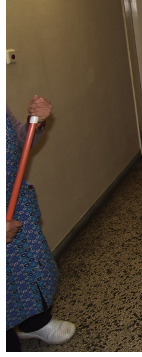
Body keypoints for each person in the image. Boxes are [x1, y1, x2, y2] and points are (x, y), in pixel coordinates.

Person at [6, 95, 75, 350]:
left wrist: (36, 122)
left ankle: (34, 322)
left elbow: (16, 144)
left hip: (12, 205)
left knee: (27, 270)